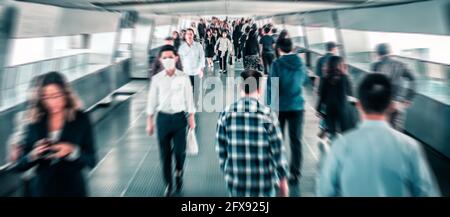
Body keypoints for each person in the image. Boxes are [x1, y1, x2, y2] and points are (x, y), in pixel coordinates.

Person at [317, 73, 440, 197]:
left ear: (358, 105)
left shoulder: (341, 145)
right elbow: (427, 192)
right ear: (391, 106)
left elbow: (325, 191)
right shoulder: (410, 147)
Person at [14, 71, 97, 197]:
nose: (51, 102)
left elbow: (91, 160)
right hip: (42, 191)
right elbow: (20, 165)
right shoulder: (35, 120)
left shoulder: (80, 119)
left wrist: (72, 151)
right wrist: (33, 154)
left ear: (66, 94)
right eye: (46, 97)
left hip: (73, 190)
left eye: (56, 96)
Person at [215, 69, 289, 197]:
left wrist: (227, 170)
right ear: (260, 90)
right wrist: (282, 182)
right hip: (264, 183)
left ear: (240, 87)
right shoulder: (268, 115)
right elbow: (278, 152)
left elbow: (221, 148)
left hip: (236, 181)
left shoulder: (226, 114)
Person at [146, 45, 196, 197]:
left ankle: (179, 171)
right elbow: (152, 100)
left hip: (180, 118)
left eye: (170, 57)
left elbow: (189, 98)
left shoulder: (184, 77)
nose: (167, 60)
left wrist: (191, 118)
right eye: (164, 57)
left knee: (180, 152)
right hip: (163, 118)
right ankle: (168, 184)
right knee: (165, 154)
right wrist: (150, 120)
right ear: (160, 60)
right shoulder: (156, 79)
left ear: (176, 58)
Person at [266, 38, 307, 184]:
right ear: (292, 47)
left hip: (281, 107)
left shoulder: (277, 64)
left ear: (279, 49)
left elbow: (273, 85)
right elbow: (306, 80)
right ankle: (295, 173)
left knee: (278, 139)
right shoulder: (301, 63)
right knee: (296, 140)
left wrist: (271, 107)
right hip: (298, 106)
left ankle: (278, 170)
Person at [371, 43, 416, 131]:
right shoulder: (401, 64)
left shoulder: (375, 66)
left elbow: (373, 84)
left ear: (377, 54)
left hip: (381, 103)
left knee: (383, 129)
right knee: (397, 129)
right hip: (397, 103)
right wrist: (409, 98)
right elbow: (413, 79)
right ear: (390, 52)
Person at [316, 56, 355, 139]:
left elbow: (322, 96)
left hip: (330, 109)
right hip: (343, 109)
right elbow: (351, 95)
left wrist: (318, 109)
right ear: (341, 65)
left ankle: (333, 144)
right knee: (346, 133)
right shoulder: (345, 78)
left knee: (332, 133)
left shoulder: (325, 79)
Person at [178, 28, 205, 104]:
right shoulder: (182, 48)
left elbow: (202, 58)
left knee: (196, 90)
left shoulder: (198, 46)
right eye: (188, 34)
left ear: (193, 35)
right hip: (186, 72)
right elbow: (180, 60)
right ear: (185, 36)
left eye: (191, 34)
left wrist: (201, 69)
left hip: (196, 72)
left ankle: (194, 104)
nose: (189, 35)